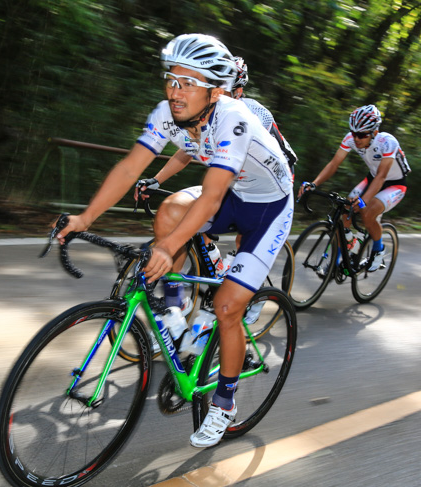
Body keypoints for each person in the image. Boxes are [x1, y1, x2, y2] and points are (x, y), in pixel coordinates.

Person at [56, 33, 294, 448]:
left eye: (187, 82)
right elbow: (131, 167)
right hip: (233, 195)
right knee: (168, 212)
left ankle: (224, 402)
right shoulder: (168, 112)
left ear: (214, 89)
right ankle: (176, 305)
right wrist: (85, 217)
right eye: (171, 79)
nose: (174, 90)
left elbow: (214, 194)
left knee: (226, 307)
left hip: (268, 208)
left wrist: (167, 249)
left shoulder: (233, 117)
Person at [135, 55, 297, 309]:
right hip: (232, 181)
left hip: (268, 184)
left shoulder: (251, 112)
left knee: (243, 236)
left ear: (239, 91)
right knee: (184, 215)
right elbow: (187, 150)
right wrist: (156, 179)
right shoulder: (205, 112)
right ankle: (176, 303)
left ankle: (250, 297)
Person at [297, 104, 410, 271]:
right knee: (345, 209)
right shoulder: (351, 138)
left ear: (374, 133)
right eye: (354, 133)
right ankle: (344, 253)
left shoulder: (387, 142)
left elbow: (382, 176)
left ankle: (378, 250)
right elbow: (334, 164)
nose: (356, 139)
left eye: (362, 135)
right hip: (372, 178)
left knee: (367, 212)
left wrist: (364, 201)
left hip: (394, 184)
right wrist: (314, 183)